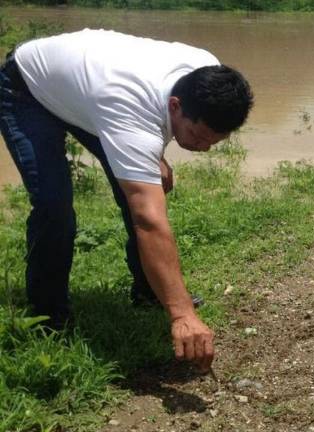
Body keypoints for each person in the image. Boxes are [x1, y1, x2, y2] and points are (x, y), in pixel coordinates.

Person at [0, 29, 253, 371]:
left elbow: (147, 121)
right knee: (54, 206)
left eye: (214, 142)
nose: (204, 148)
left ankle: (150, 292)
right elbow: (148, 219)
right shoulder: (127, 108)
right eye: (197, 136)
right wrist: (183, 314)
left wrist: (153, 157)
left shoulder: (206, 70)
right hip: (27, 89)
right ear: (175, 106)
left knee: (145, 188)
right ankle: (48, 317)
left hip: (91, 93)